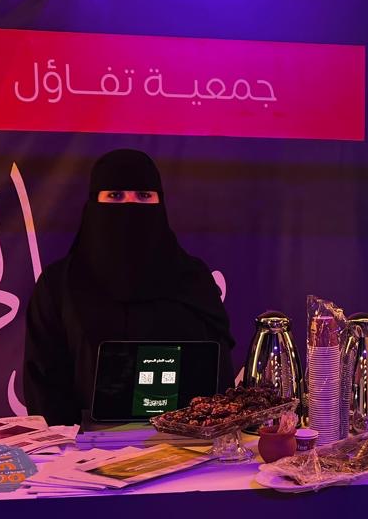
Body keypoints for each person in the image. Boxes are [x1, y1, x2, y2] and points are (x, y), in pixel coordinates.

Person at [23, 149, 234, 425]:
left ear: (160, 203)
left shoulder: (193, 279)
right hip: (83, 445)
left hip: (185, 442)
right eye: (115, 195)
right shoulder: (59, 285)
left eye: (144, 196)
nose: (130, 207)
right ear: (94, 202)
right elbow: (43, 381)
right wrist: (73, 440)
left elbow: (218, 373)